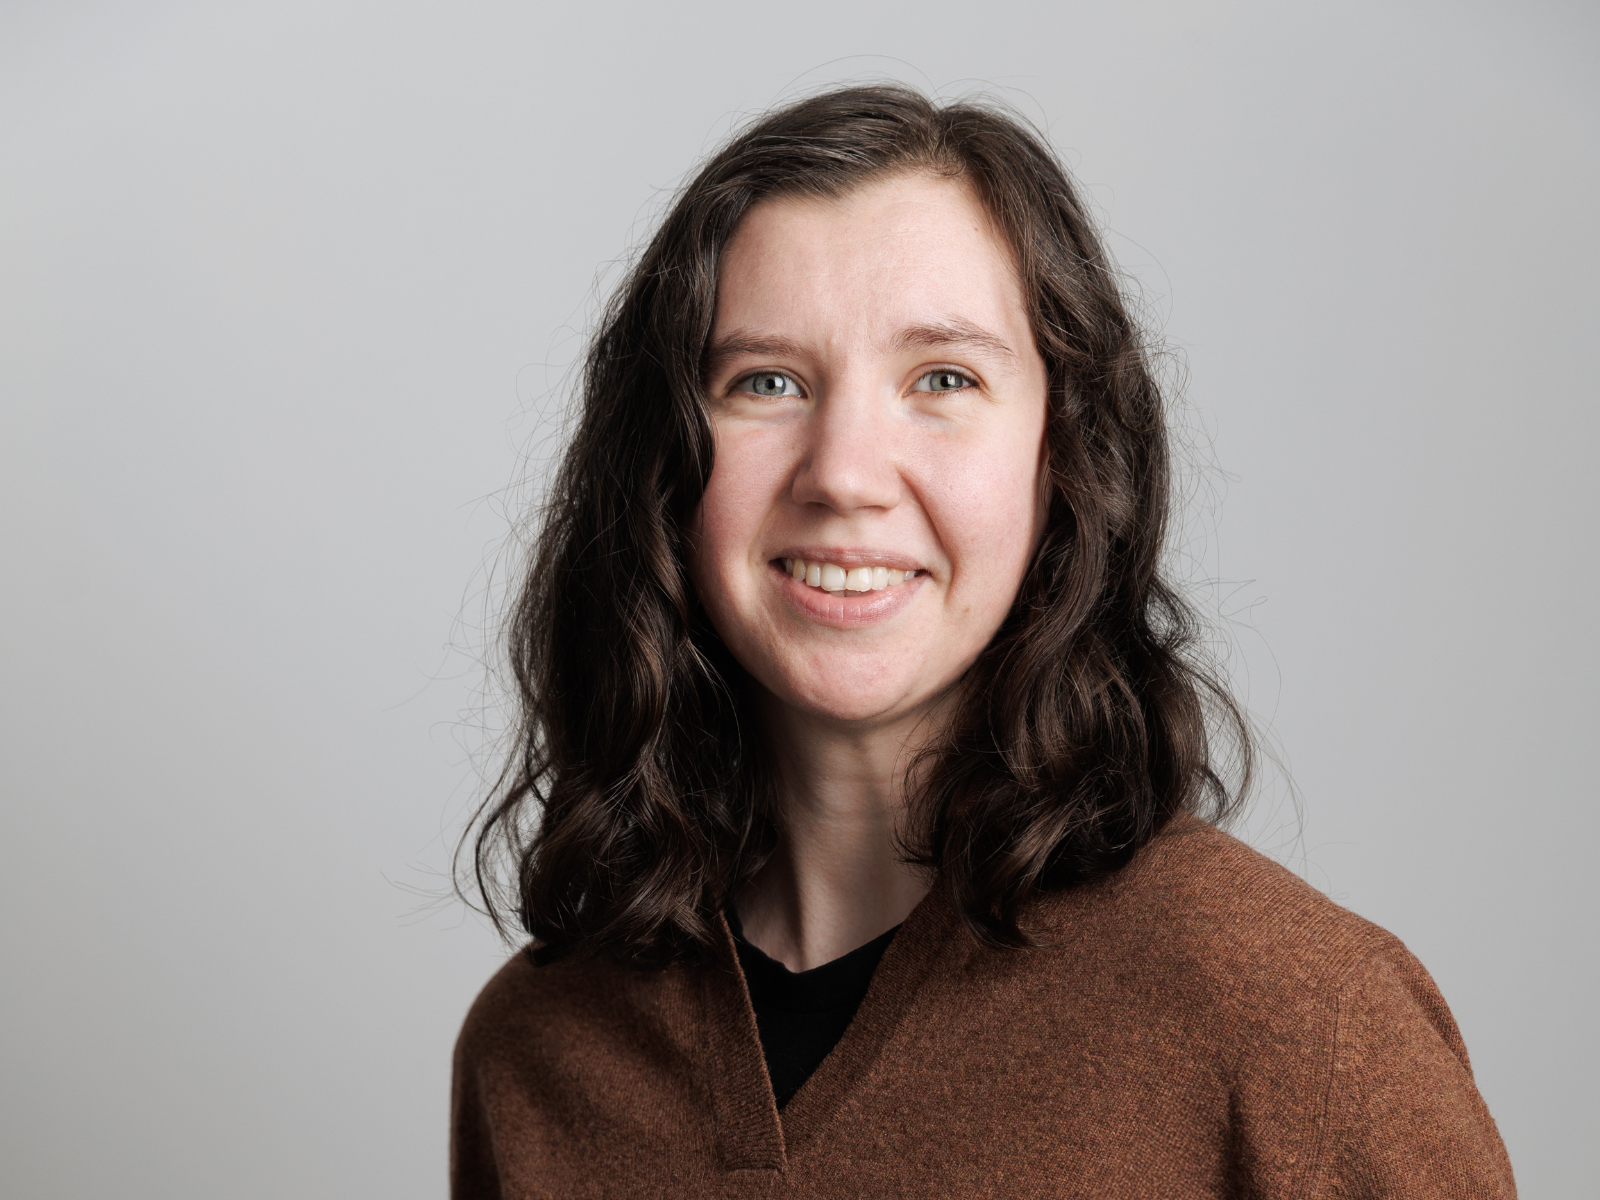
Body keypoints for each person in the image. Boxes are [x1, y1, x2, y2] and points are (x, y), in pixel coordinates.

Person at [451, 85, 1515, 1198]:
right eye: (765, 380)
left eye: (943, 380)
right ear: (664, 465)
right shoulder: (534, 1048)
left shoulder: (1296, 1017)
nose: (845, 475)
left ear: (1063, 459)